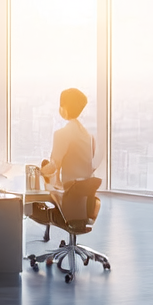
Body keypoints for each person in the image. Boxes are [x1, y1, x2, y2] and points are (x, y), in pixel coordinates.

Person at [30, 88, 97, 233]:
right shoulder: (89, 136)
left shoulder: (62, 134)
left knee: (29, 205)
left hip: (68, 203)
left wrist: (38, 172)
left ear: (64, 108)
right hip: (85, 204)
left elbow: (54, 165)